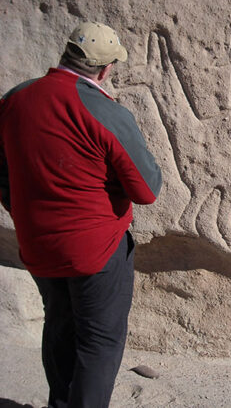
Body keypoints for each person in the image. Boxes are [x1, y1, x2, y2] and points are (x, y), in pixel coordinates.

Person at [0, 21, 162, 407]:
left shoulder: (14, 100)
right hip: (97, 249)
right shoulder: (105, 111)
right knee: (99, 342)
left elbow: (2, 172)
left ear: (65, 53)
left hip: (38, 244)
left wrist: (22, 210)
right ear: (105, 70)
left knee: (58, 327)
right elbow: (146, 190)